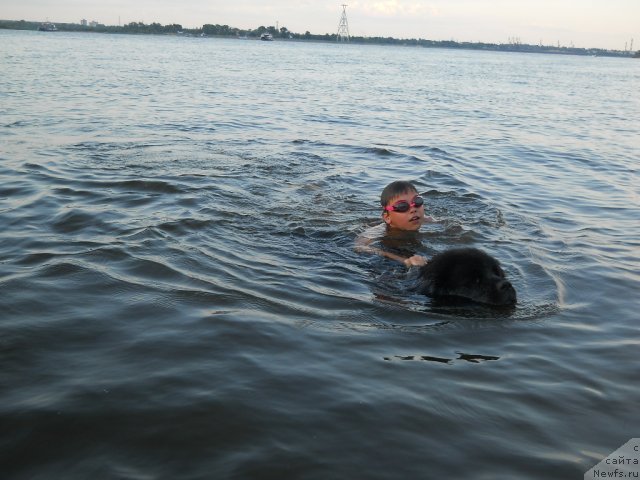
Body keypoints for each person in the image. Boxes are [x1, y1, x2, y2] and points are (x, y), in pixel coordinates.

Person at [355, 180, 435, 267]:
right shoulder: (377, 232)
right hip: (390, 250)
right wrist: (404, 260)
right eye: (402, 206)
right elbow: (360, 247)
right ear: (387, 218)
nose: (413, 209)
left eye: (417, 201)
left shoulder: (428, 220)